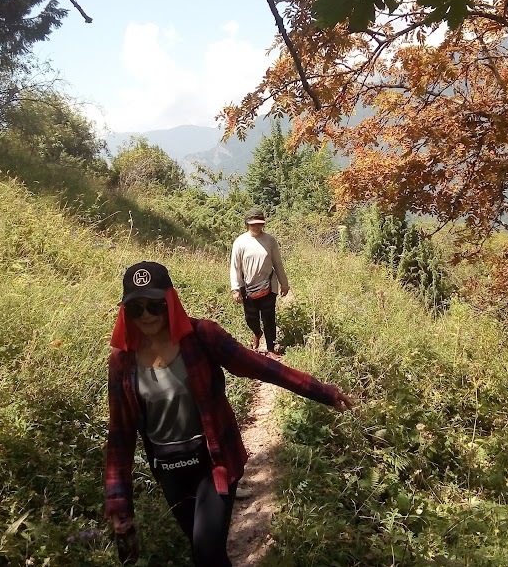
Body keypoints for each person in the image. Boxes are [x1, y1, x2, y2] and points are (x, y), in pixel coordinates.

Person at [105, 261, 354, 566]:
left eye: (154, 305)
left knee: (206, 551)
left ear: (170, 301)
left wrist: (322, 391)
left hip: (213, 461)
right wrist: (118, 499)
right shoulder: (122, 361)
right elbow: (120, 434)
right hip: (168, 470)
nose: (146, 315)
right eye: (136, 308)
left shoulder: (201, 337)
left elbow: (261, 367)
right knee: (205, 553)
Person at [230, 208, 288, 354]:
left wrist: (284, 283)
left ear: (263, 224)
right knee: (251, 318)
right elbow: (235, 267)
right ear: (247, 224)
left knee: (269, 318)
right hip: (248, 287)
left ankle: (270, 348)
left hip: (269, 285)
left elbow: (277, 263)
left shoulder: (270, 241)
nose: (256, 227)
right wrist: (235, 289)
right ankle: (257, 332)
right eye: (253, 224)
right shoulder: (240, 242)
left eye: (259, 224)